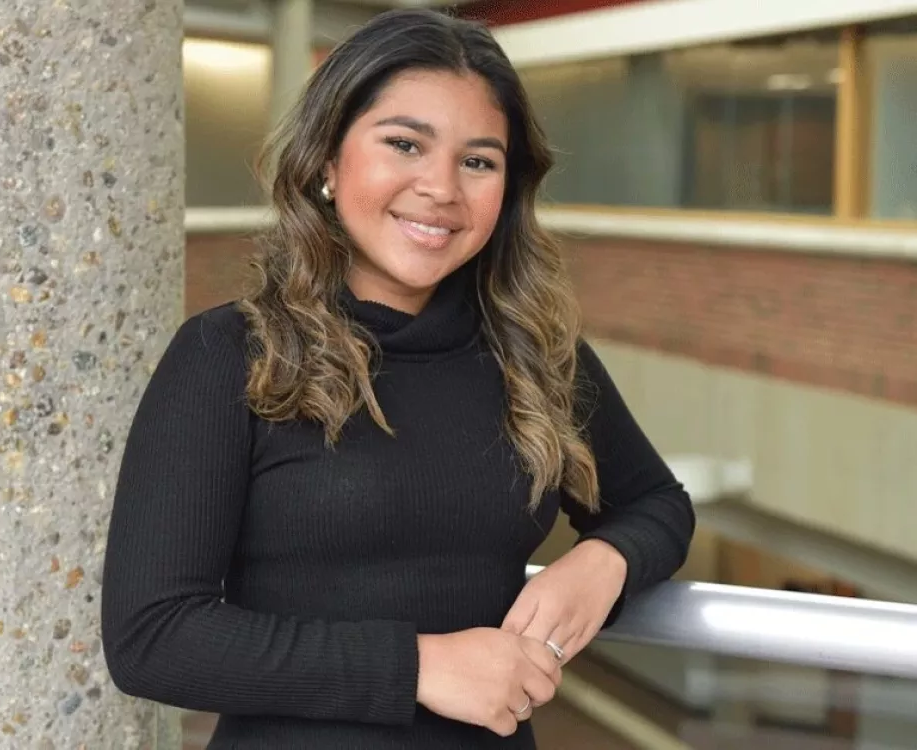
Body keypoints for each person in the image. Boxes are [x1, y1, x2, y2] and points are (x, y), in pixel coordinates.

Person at [101, 8, 694, 749]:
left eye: (478, 161)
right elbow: (152, 638)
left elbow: (656, 504)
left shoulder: (536, 355)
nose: (441, 188)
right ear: (327, 161)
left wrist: (604, 561)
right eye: (405, 144)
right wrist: (415, 667)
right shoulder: (231, 354)